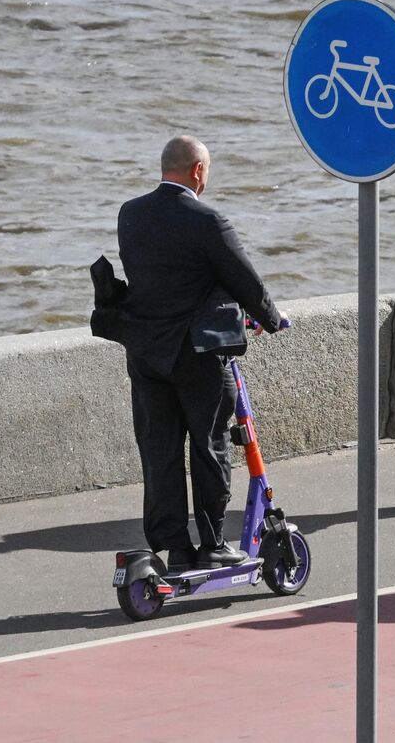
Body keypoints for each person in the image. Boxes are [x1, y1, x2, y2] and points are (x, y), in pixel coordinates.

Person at [117, 135, 285, 571]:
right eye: (206, 172)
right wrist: (271, 317)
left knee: (160, 452)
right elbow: (245, 280)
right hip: (198, 356)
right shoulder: (208, 221)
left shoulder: (130, 215)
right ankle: (213, 541)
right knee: (210, 447)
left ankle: (174, 545)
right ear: (197, 171)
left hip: (148, 356)